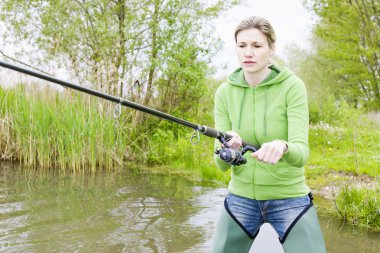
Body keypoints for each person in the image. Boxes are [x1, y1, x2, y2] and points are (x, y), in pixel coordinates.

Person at [212, 16, 326, 253]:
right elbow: (221, 165)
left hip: (290, 197)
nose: (248, 53)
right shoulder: (224, 93)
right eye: (242, 45)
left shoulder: (292, 86)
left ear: (271, 49)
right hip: (240, 198)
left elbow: (301, 154)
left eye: (257, 45)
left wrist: (283, 146)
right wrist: (228, 151)